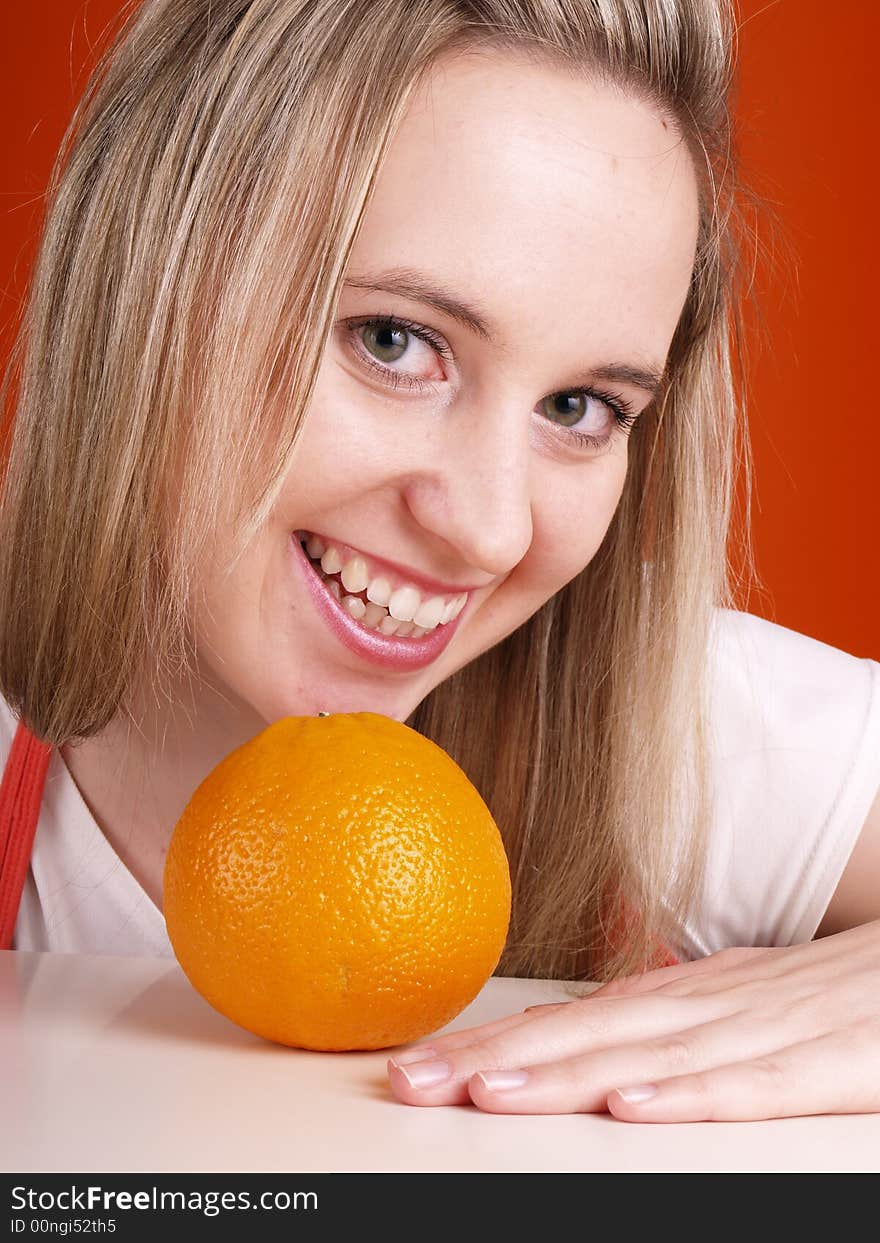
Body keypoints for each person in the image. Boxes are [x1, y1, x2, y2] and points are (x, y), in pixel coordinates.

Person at [1, 0, 878, 1125]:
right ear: (150, 279)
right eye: (393, 341)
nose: (488, 529)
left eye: (579, 406)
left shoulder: (672, 726)